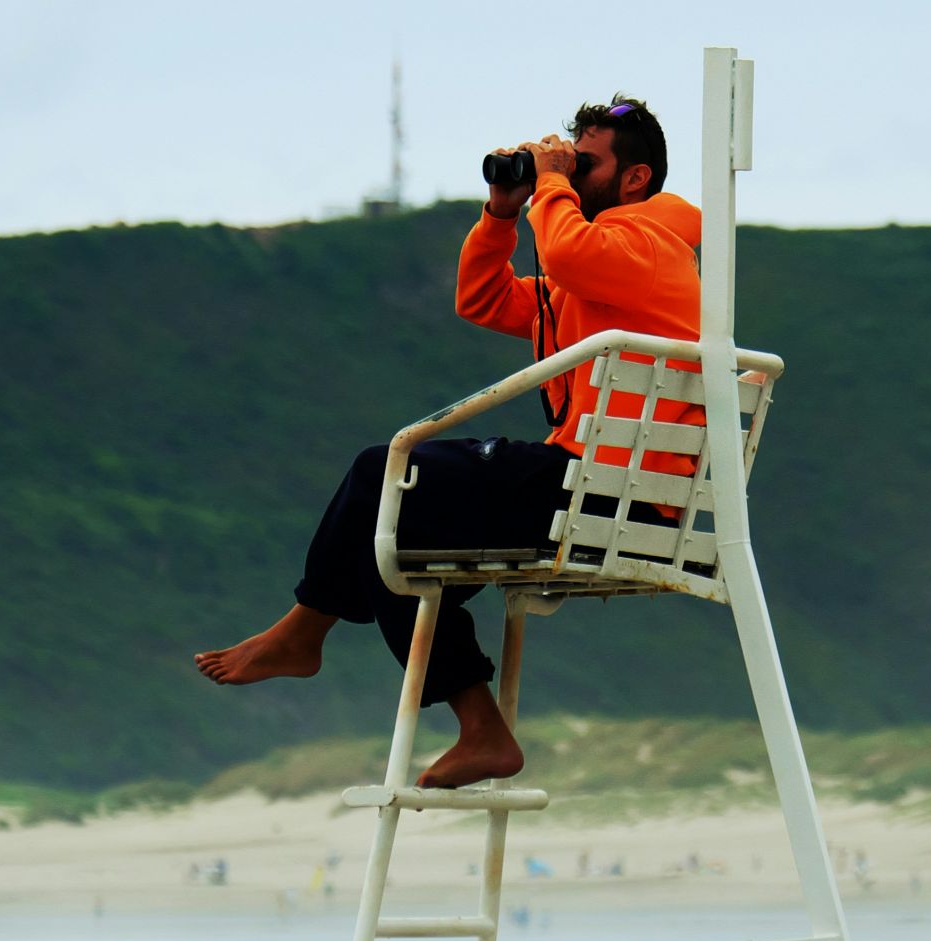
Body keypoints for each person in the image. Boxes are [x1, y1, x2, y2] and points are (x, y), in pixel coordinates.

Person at [196, 96, 701, 789]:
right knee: (389, 547)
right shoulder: (592, 273)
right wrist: (500, 209)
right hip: (587, 483)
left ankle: (303, 632)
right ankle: (481, 730)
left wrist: (548, 186)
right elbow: (483, 300)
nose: (564, 169)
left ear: (635, 178)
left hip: (610, 490)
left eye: (583, 163)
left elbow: (567, 252)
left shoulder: (652, 246)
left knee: (384, 470)